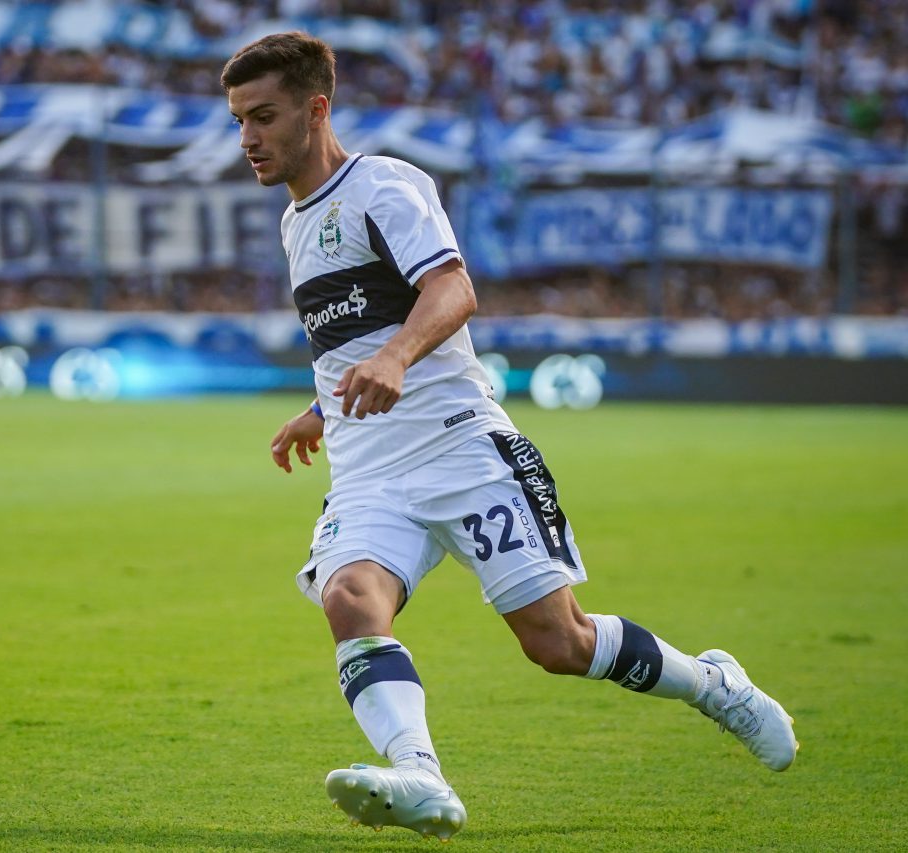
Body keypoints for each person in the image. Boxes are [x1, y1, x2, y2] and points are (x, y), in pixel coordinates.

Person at [220, 31, 798, 842]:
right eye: (239, 120)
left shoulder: (384, 186)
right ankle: (421, 774)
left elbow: (452, 290)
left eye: (263, 116)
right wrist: (320, 409)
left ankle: (712, 684)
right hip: (369, 471)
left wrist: (395, 356)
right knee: (349, 598)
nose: (247, 138)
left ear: (316, 110)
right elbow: (351, 337)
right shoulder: (294, 223)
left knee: (558, 642)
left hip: (461, 449)